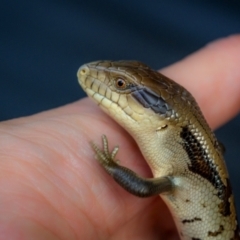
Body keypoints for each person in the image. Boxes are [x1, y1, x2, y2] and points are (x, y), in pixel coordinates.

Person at [0, 35, 240, 239]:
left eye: (121, 84)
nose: (92, 71)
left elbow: (143, 188)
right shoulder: (186, 162)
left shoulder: (178, 176)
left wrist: (110, 164)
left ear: (164, 121)